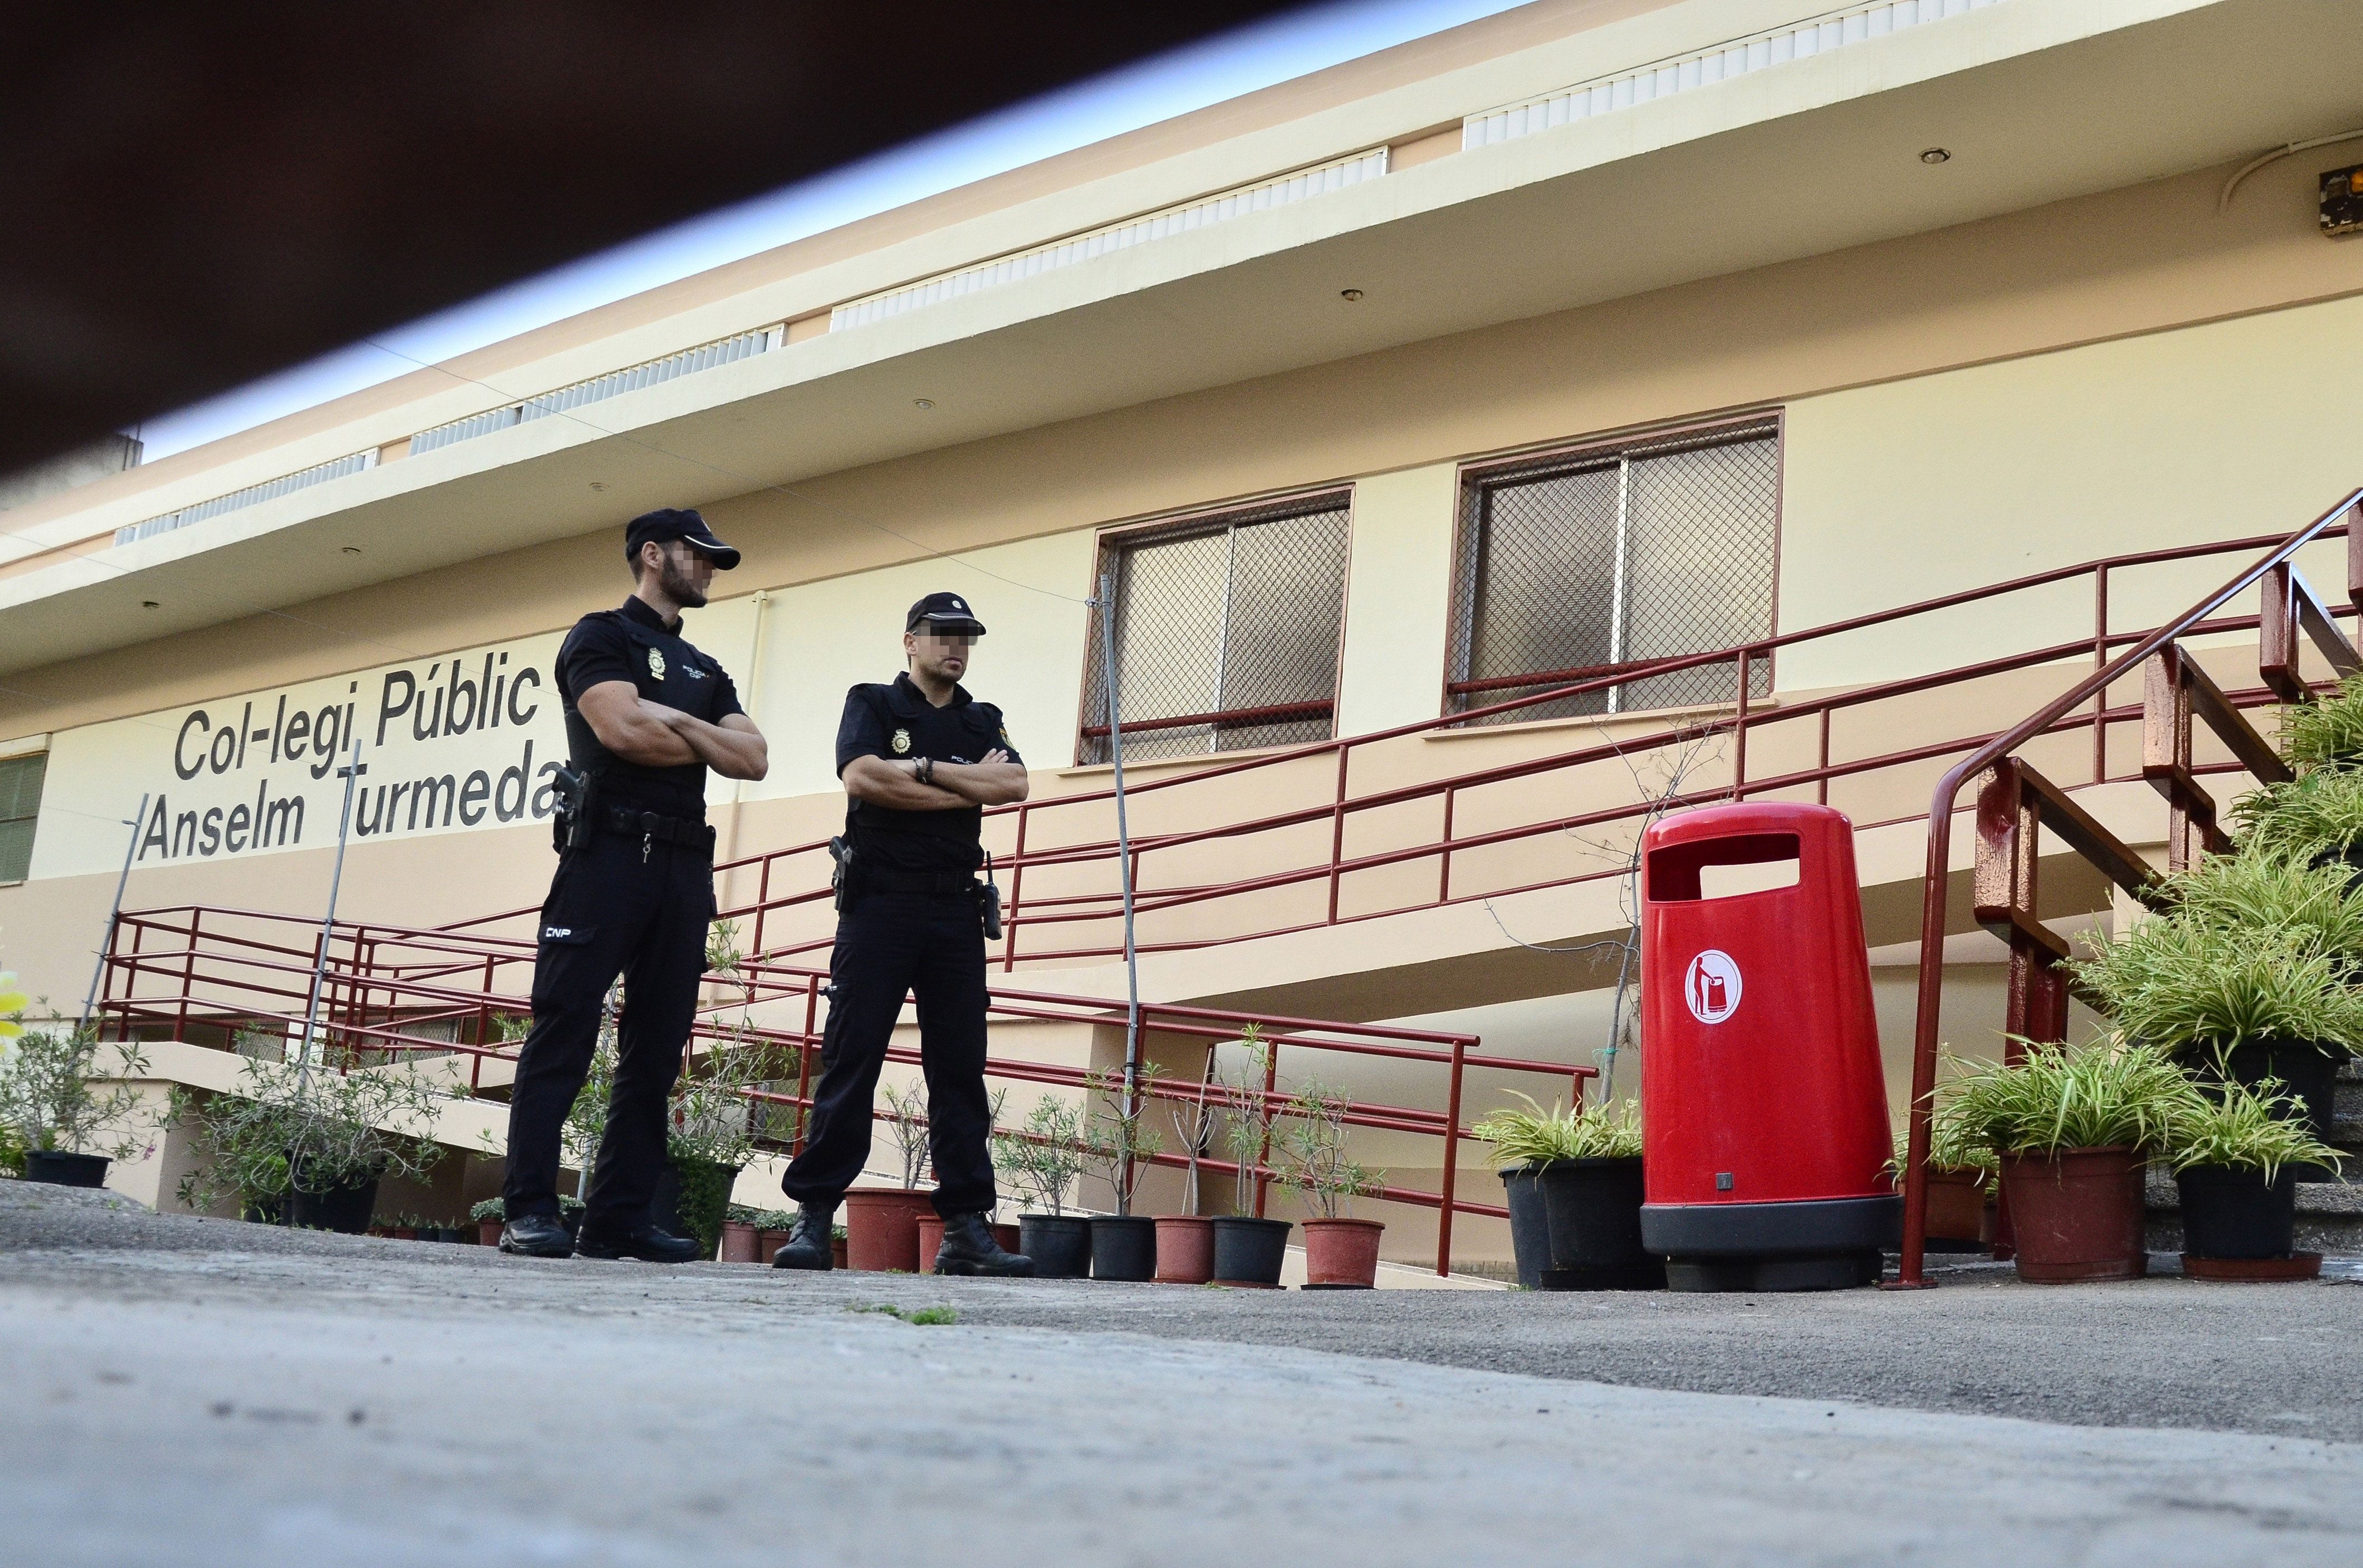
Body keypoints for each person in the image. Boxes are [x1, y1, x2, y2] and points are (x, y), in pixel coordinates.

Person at [499, 508, 769, 1260]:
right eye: (700, 554)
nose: (711, 567)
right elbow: (621, 731)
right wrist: (697, 734)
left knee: (657, 1048)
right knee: (565, 1029)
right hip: (607, 855)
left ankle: (618, 1217)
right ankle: (530, 1209)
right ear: (652, 555)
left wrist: (672, 721)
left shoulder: (706, 671)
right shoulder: (601, 636)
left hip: (684, 868)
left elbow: (754, 759)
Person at [771, 592, 1033, 1275]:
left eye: (965, 636)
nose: (956, 646)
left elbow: (1013, 785)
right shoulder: (874, 704)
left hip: (952, 911)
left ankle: (966, 1231)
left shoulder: (982, 716)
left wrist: (916, 771)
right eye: (942, 634)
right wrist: (962, 784)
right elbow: (861, 775)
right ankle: (813, 1218)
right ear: (909, 642)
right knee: (852, 1060)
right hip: (878, 907)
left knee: (958, 1071)